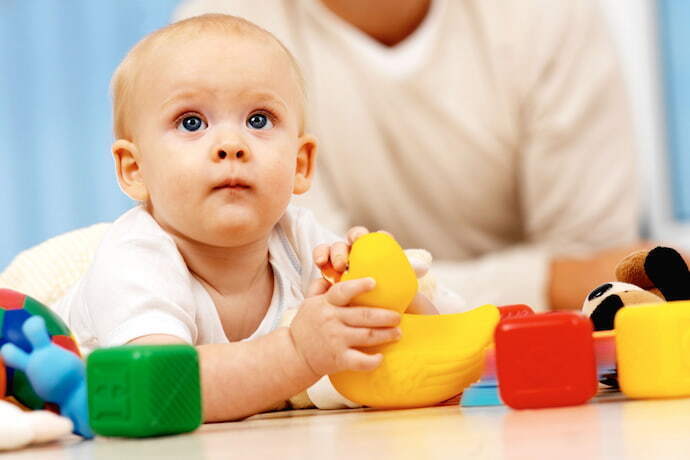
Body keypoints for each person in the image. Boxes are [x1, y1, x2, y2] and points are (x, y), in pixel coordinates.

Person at [50, 13, 447, 421]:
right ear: (135, 170)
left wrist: (382, 290)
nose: (230, 144)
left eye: (259, 120)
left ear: (300, 164)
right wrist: (297, 352)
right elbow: (162, 389)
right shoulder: (135, 260)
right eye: (191, 122)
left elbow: (428, 348)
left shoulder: (303, 243)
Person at [172, 0, 645, 311]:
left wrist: (566, 279)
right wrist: (544, 282)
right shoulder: (221, 30)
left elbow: (602, 276)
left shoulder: (549, 15)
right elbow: (284, 283)